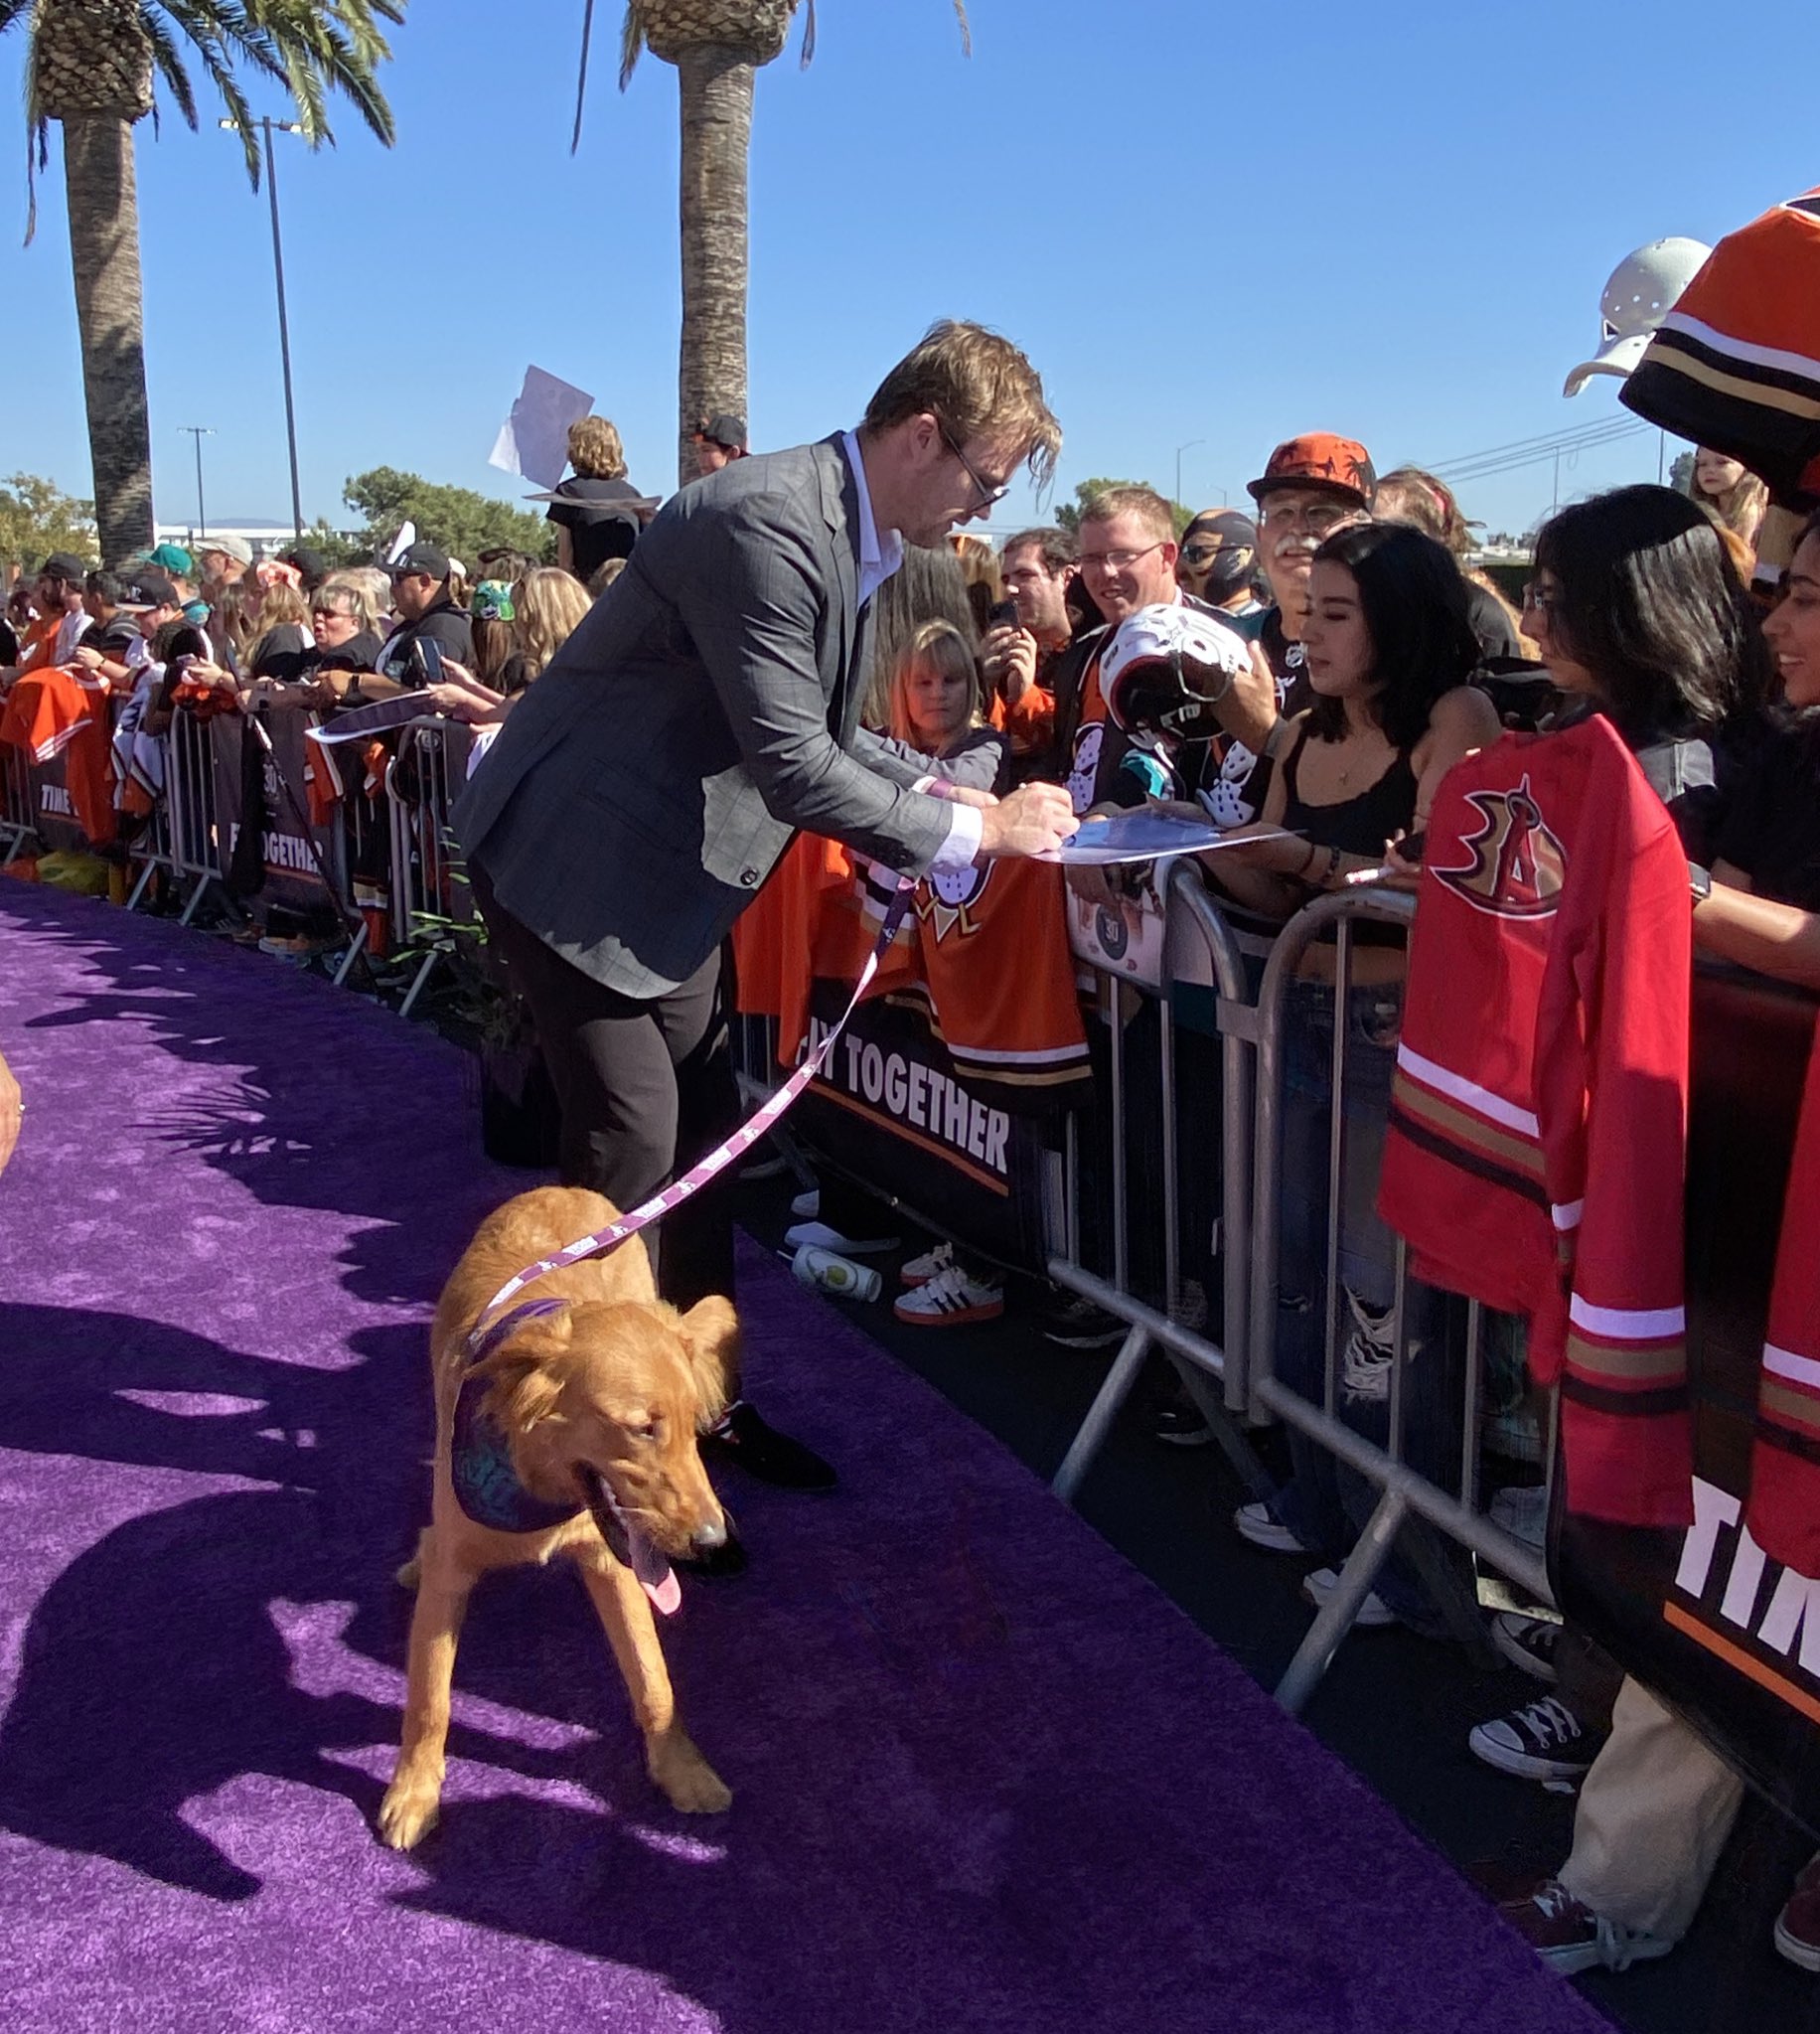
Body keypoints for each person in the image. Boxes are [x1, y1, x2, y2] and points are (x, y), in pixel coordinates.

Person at [454, 320, 1074, 1491]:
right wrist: (976, 826)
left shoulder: (847, 528)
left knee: (700, 1144)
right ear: (924, 436)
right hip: (572, 866)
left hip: (666, 882)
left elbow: (830, 738)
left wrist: (937, 789)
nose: (982, 510)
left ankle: (700, 1407)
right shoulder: (769, 518)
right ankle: (539, 1429)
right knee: (630, 1149)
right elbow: (794, 764)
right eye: (983, 480)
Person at [1500, 508, 1820, 1980]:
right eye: (1783, 589)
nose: (1783, 621)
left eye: (1812, 596)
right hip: (1736, 1224)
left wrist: (1684, 900)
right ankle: (1621, 1877)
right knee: (1713, 1543)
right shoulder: (1783, 755)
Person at [1201, 524, 1501, 1631]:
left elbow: (1435, 893)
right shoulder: (1296, 733)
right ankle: (1321, 1498)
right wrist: (1183, 847)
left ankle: (1411, 1567)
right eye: (1305, 608)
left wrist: (1306, 866)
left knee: (1385, 1308)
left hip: (1393, 1037)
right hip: (1298, 1020)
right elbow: (1279, 891)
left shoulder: (1453, 721)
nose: (1305, 630)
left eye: (1334, 613)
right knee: (1291, 1272)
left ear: (1399, 620)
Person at [1521, 485, 1767, 864]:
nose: (1529, 626)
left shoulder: (1676, 783)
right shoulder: (1598, 725)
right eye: (1534, 597)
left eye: (1551, 601)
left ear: (1637, 611)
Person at [1372, 465, 1529, 661]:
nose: (1366, 540)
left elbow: (1504, 684)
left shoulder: (1478, 613)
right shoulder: (1360, 600)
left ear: (1431, 538)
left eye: (1381, 530)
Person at [546, 415, 650, 580]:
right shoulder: (633, 495)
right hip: (628, 588)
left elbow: (566, 558)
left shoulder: (568, 492)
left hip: (589, 590)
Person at [374, 541, 474, 687]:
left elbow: (431, 691)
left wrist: (356, 682)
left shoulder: (443, 626)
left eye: (398, 579)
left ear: (425, 581)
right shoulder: (414, 623)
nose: (392, 588)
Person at [1176, 508, 1265, 625]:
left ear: (1243, 556)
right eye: (1180, 552)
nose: (1180, 567)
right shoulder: (1174, 625)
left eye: (1194, 553)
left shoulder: (1270, 632)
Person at [1689, 445, 1768, 553]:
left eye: (1722, 462)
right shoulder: (1698, 512)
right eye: (1702, 464)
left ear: (1746, 467)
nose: (1709, 470)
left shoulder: (1752, 512)